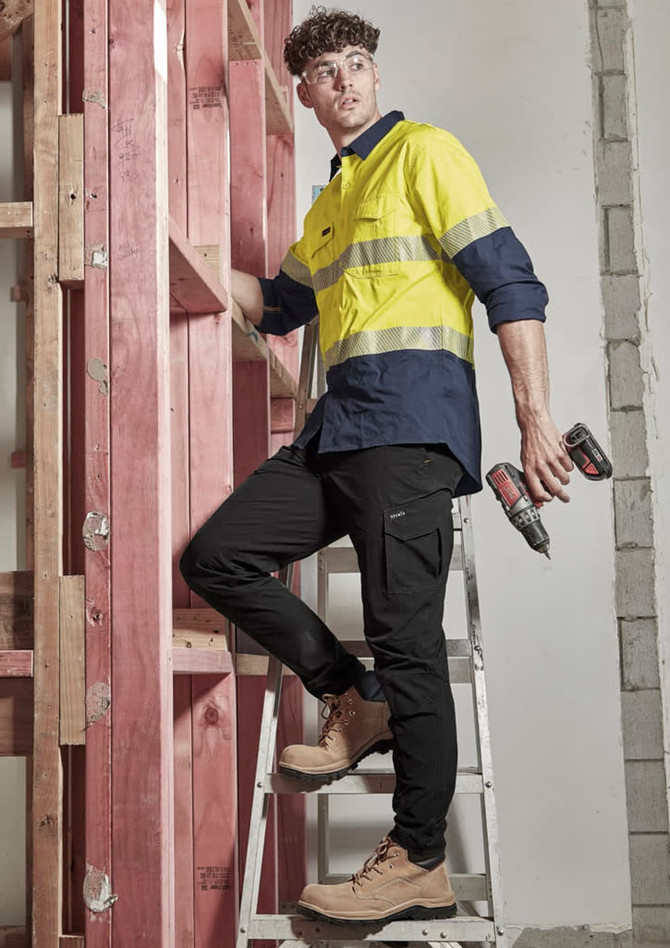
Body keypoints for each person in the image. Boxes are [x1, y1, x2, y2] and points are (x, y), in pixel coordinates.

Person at [180, 5, 573, 925]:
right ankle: (352, 700)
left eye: (360, 63)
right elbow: (277, 304)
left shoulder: (425, 153)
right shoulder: (330, 201)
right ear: (307, 93)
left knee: (408, 644)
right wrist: (183, 249)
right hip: (338, 431)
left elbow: (510, 281)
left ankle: (420, 858)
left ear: (376, 75)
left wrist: (535, 416)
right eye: (329, 72)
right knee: (217, 558)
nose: (348, 80)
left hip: (409, 431)